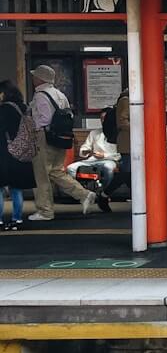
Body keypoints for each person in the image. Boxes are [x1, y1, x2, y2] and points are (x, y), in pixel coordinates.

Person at [28, 64, 97, 220]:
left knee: (41, 175)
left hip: (44, 138)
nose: (33, 79)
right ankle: (84, 194)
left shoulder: (40, 95)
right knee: (56, 171)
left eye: (34, 76)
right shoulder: (60, 94)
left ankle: (45, 211)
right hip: (61, 138)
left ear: (39, 79)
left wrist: (34, 127)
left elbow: (45, 119)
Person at [0, 81, 36, 231]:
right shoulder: (24, 107)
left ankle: (0, 220)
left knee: (0, 187)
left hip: (5, 152)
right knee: (17, 189)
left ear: (4, 93)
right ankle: (17, 218)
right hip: (21, 152)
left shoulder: (4, 109)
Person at [66, 109, 121, 195]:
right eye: (101, 118)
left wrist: (104, 155)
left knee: (108, 168)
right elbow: (85, 147)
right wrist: (85, 152)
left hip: (110, 160)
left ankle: (103, 193)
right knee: (71, 168)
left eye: (105, 118)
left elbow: (119, 154)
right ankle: (82, 193)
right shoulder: (94, 133)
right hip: (92, 160)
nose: (103, 121)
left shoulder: (118, 134)